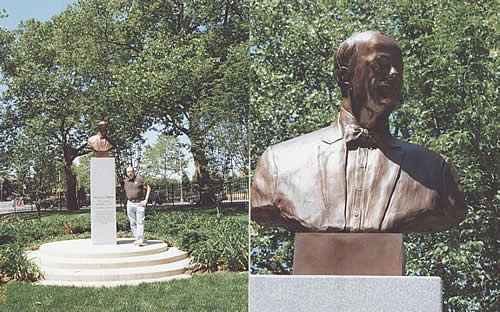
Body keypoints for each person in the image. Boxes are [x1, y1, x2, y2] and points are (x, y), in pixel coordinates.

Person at [251, 31, 467, 233]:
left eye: (398, 69)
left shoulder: (435, 170)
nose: (394, 74)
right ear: (346, 77)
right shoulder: (280, 162)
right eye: (381, 65)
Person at [123, 166, 151, 246]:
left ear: (134, 172)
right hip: (130, 203)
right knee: (132, 222)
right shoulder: (125, 181)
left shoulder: (139, 179)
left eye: (131, 171)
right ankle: (137, 238)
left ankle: (140, 240)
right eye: (128, 172)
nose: (129, 173)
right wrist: (114, 172)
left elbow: (148, 188)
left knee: (140, 222)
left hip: (139, 203)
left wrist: (146, 200)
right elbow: (117, 184)